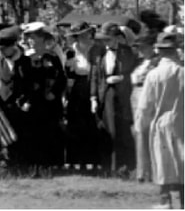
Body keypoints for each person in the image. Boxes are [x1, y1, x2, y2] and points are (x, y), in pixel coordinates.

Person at [135, 32, 183, 209]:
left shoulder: (154, 75)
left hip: (161, 123)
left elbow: (145, 105)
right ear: (175, 51)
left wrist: (140, 125)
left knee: (163, 162)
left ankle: (165, 201)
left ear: (160, 51)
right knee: (182, 162)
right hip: (182, 122)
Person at [0, 26, 34, 166]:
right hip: (3, 103)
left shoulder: (25, 61)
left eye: (4, 48)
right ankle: (8, 164)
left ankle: (23, 164)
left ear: (13, 46)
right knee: (6, 135)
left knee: (21, 134)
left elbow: (30, 84)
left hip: (20, 104)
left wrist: (27, 100)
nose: (2, 51)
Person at [92, 21, 138, 176]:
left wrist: (121, 78)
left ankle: (125, 167)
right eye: (104, 39)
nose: (106, 42)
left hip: (123, 95)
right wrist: (93, 97)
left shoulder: (128, 52)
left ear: (117, 38)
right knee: (108, 131)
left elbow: (134, 73)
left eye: (109, 39)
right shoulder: (99, 53)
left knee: (123, 131)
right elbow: (95, 77)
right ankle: (109, 168)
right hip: (106, 94)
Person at [23, 22, 66, 169]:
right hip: (33, 102)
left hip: (50, 102)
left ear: (41, 38)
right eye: (29, 38)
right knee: (34, 133)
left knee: (51, 132)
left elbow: (61, 78)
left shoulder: (52, 57)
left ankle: (52, 164)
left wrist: (54, 93)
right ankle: (34, 164)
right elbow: (22, 80)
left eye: (33, 37)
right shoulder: (26, 58)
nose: (30, 40)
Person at [64, 21, 105, 171]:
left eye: (85, 34)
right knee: (75, 123)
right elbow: (68, 73)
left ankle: (93, 161)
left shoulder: (98, 49)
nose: (82, 37)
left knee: (91, 123)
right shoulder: (71, 50)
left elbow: (98, 70)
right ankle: (75, 161)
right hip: (76, 86)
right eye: (78, 35)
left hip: (92, 84)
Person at [130, 31, 160, 183]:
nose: (140, 50)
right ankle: (141, 170)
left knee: (146, 133)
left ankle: (150, 172)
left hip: (146, 96)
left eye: (143, 47)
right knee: (138, 133)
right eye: (139, 47)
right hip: (135, 95)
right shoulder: (139, 62)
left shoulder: (156, 62)